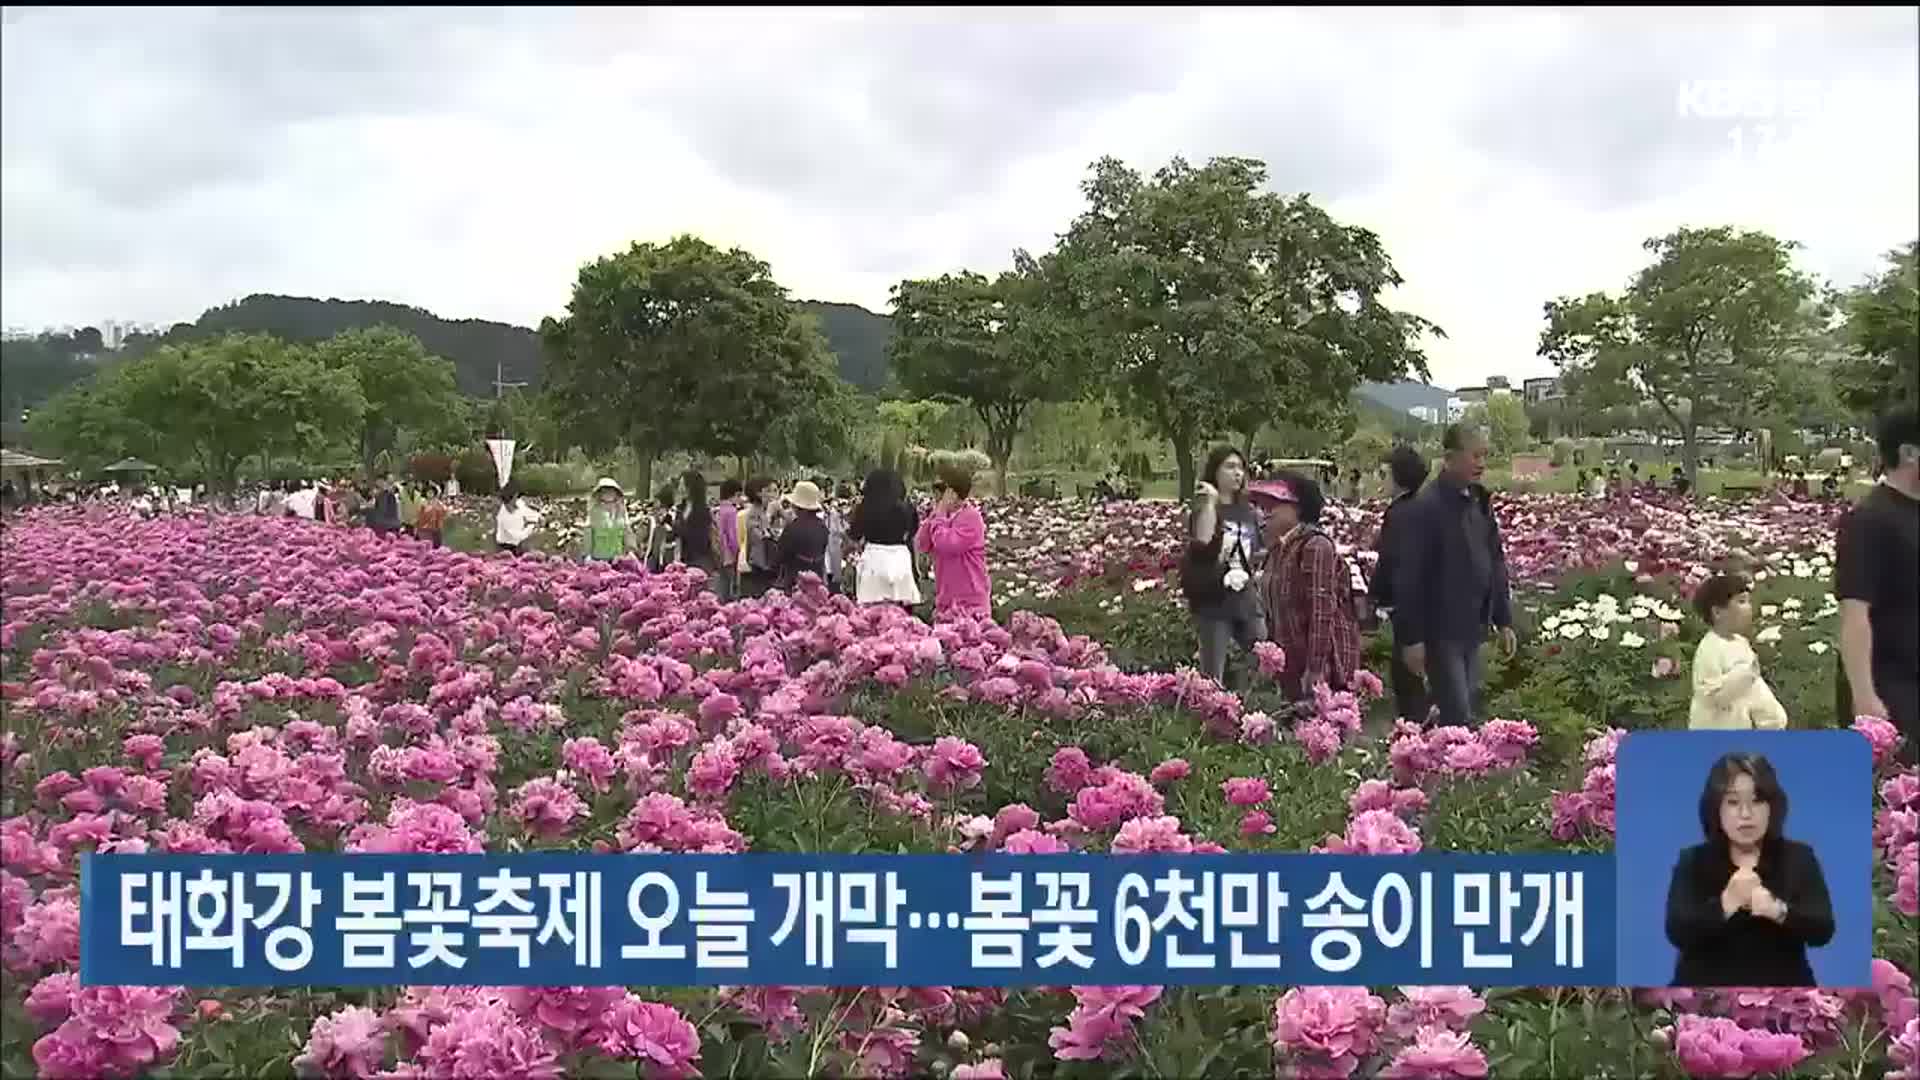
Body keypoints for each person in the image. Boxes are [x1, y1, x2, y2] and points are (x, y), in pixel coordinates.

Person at [1664, 753, 1834, 987]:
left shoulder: (1798, 857)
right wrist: (1725, 904)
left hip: (1784, 1000)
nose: (1746, 814)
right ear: (1716, 809)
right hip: (1705, 999)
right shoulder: (1693, 860)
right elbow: (1677, 931)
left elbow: (1823, 929)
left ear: (1772, 807)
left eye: (1756, 801)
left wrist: (1778, 910)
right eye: (1733, 802)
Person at [1390, 424, 1516, 727]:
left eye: (1485, 455)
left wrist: (1503, 619)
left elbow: (1494, 561)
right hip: (1440, 630)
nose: (1481, 464)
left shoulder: (1479, 502)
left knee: (1463, 708)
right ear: (1449, 458)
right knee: (1457, 714)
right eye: (1475, 455)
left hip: (1472, 625)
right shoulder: (1427, 506)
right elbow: (1408, 577)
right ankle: (1450, 767)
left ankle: (1446, 765)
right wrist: (1411, 640)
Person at [1835, 408, 1919, 763]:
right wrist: (1865, 698)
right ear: (1909, 453)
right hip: (1891, 686)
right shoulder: (1869, 521)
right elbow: (1855, 615)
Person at [1258, 471, 1361, 700]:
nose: (1266, 511)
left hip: (1323, 668)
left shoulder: (1315, 545)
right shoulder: (1278, 550)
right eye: (1263, 505)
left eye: (1274, 503)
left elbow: (1321, 611)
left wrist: (1316, 669)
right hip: (1293, 665)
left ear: (1298, 508)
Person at [1179, 445, 1265, 687]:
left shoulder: (1247, 511)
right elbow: (1203, 544)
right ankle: (1212, 718)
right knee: (1212, 675)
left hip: (1246, 600)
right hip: (1214, 601)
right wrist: (1211, 502)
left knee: (1264, 658)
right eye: (1230, 467)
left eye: (1241, 467)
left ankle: (1247, 707)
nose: (1237, 473)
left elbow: (1255, 550)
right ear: (1214, 471)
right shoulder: (1204, 508)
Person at [1372, 445, 1431, 723]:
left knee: (1411, 697)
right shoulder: (1417, 508)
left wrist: (1411, 637)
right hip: (1419, 618)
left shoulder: (1402, 516)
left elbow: (1405, 574)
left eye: (1383, 473)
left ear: (1400, 476)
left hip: (1412, 621)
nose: (1378, 478)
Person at [1689, 573, 1788, 730]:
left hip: (1743, 729)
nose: (1749, 607)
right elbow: (1710, 695)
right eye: (1741, 601)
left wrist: (1773, 718)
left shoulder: (1742, 644)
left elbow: (1756, 689)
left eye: (1749, 601)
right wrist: (1743, 677)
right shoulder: (1709, 650)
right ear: (1718, 612)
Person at [915, 465, 991, 621]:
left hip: (970, 603)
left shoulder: (971, 518)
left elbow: (946, 544)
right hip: (946, 602)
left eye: (941, 491)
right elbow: (922, 543)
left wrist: (940, 514)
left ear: (954, 493)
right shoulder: (940, 517)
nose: (936, 496)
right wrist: (935, 515)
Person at [851, 468, 923, 610]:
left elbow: (855, 534)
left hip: (874, 558)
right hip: (900, 558)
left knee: (871, 611)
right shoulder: (907, 508)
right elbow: (913, 532)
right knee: (902, 610)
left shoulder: (864, 507)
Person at [772, 480, 830, 592]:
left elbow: (779, 558)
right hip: (817, 583)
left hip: (795, 583)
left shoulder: (792, 528)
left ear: (796, 506)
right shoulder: (823, 527)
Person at [678, 470, 724, 584]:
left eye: (682, 485)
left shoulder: (703, 511)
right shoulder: (680, 508)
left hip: (700, 560)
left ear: (691, 487)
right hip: (684, 559)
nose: (680, 488)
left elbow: (701, 538)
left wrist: (681, 531)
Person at [738, 477, 778, 598]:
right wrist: (769, 516)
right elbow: (759, 537)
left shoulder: (763, 511)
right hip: (757, 565)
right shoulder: (753, 513)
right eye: (770, 491)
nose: (773, 495)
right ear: (759, 493)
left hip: (766, 564)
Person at [582, 477, 635, 563]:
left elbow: (627, 531)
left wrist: (630, 550)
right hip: (598, 559)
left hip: (618, 558)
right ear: (600, 493)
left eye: (611, 490)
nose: (608, 493)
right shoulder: (594, 511)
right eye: (605, 491)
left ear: (616, 492)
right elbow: (588, 532)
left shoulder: (621, 510)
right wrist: (587, 555)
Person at [714, 479, 743, 600]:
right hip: (729, 555)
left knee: (722, 584)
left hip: (719, 552)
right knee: (731, 587)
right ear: (735, 494)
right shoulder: (731, 511)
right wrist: (738, 551)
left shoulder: (718, 510)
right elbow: (732, 536)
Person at [495, 487, 542, 556]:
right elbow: (518, 536)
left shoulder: (519, 504)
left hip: (517, 544)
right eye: (515, 498)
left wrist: (538, 518)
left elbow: (529, 513)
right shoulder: (504, 516)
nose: (517, 500)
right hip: (506, 546)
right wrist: (532, 527)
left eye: (517, 497)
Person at [416, 484, 448, 548]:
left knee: (437, 546)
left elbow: (444, 511)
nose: (430, 494)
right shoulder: (422, 502)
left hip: (436, 528)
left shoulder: (438, 502)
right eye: (428, 492)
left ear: (434, 493)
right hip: (425, 529)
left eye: (432, 492)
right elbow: (419, 515)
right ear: (425, 493)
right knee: (427, 545)